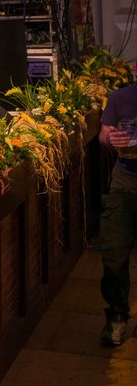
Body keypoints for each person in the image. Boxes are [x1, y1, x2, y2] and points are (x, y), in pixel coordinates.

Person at [98, 86, 137, 346]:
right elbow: (103, 134)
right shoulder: (120, 97)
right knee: (114, 253)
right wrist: (110, 138)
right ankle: (117, 316)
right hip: (125, 181)